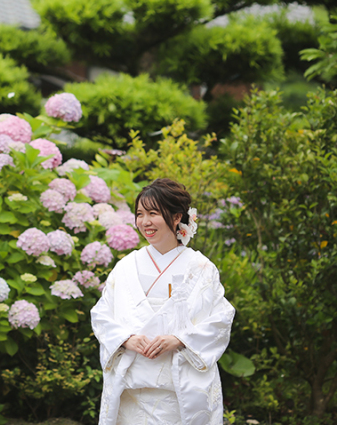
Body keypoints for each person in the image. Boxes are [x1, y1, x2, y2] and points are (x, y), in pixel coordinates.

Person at [90, 178, 235, 425]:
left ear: (177, 217)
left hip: (180, 393)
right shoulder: (126, 266)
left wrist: (180, 339)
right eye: (140, 214)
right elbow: (102, 314)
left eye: (153, 213)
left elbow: (221, 319)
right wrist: (125, 338)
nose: (145, 222)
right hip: (131, 392)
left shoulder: (200, 267)